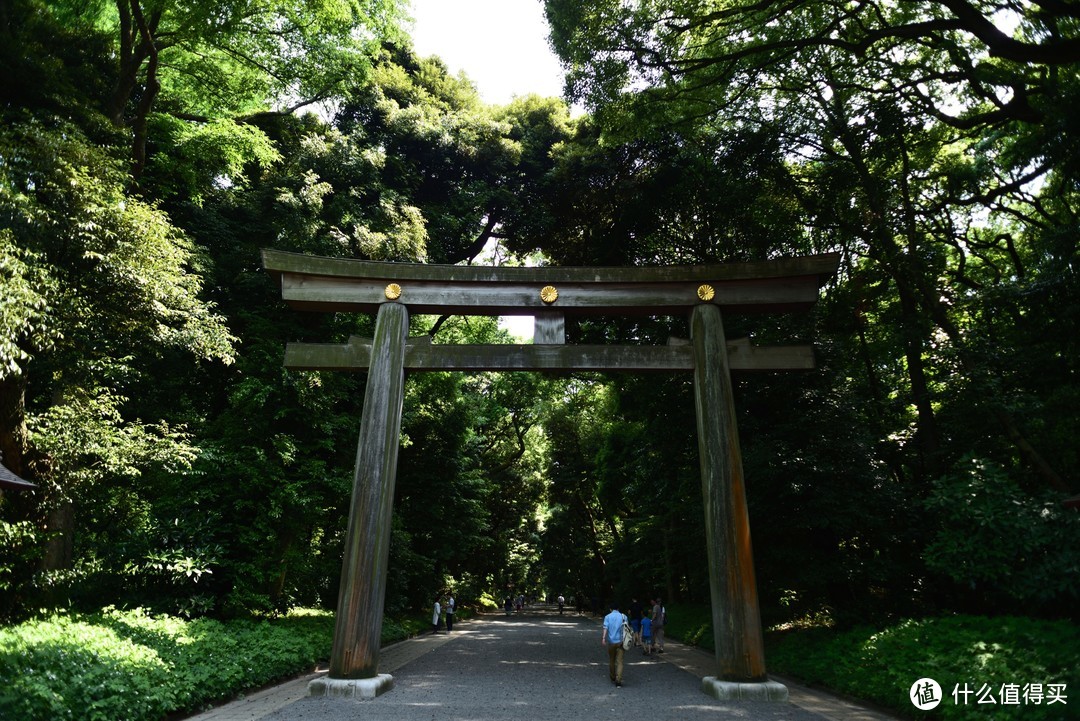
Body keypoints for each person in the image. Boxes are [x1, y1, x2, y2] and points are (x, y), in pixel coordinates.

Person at [601, 602, 627, 687]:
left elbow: (605, 628)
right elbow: (626, 628)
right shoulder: (624, 617)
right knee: (620, 661)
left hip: (611, 642)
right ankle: (618, 680)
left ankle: (612, 676)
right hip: (621, 642)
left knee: (611, 659)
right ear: (618, 608)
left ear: (610, 609)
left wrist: (603, 638)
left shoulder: (607, 617)